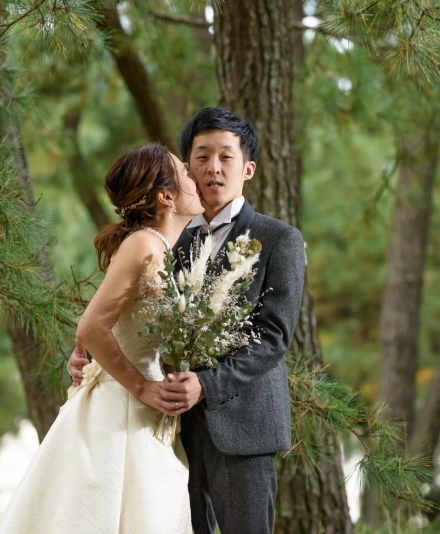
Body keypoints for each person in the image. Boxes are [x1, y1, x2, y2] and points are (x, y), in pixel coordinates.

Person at [69, 107, 306, 534]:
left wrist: (206, 385)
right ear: (186, 167)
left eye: (226, 157)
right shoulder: (165, 239)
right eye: (200, 156)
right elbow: (120, 313)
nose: (213, 167)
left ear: (247, 168)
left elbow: (273, 337)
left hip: (242, 426)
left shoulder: (278, 239)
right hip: (167, 429)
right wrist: (85, 358)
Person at [0, 143, 204, 533]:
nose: (195, 175)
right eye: (186, 172)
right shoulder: (144, 245)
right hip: (119, 410)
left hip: (147, 413)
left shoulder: (161, 249)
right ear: (166, 196)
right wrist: (141, 386)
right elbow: (90, 327)